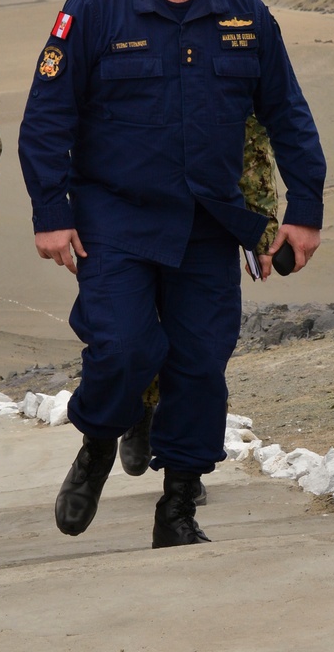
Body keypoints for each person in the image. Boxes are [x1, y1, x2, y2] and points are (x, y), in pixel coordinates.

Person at [18, 0, 325, 548]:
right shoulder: (97, 7)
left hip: (208, 223)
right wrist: (50, 210)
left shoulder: (244, 12)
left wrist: (304, 209)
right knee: (125, 346)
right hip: (114, 219)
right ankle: (99, 437)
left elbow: (287, 114)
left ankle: (178, 505)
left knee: (199, 362)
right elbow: (47, 117)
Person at [118, 113, 279, 493]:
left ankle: (183, 466)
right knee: (135, 333)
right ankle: (140, 409)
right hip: (132, 214)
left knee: (199, 347)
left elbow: (252, 148)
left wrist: (259, 234)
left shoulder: (229, 60)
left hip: (205, 220)